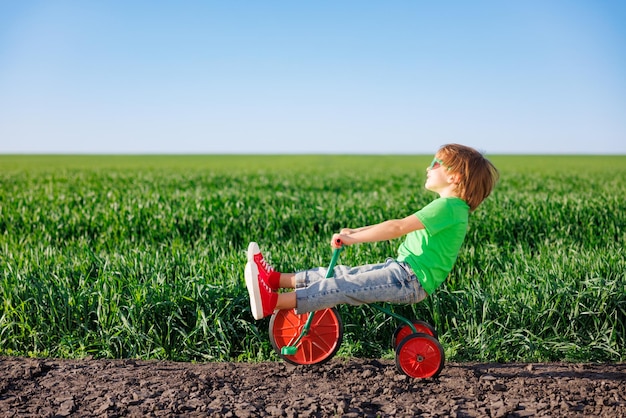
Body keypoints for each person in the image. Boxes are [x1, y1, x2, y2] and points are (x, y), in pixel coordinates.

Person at [245, 143, 499, 320]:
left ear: (455, 177)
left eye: (436, 163)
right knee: (342, 274)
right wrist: (355, 231)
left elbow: (398, 227)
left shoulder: (449, 207)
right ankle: (275, 280)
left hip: (409, 279)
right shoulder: (451, 207)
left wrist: (352, 239)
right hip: (403, 271)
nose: (428, 168)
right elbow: (397, 222)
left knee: (340, 285)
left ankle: (272, 302)